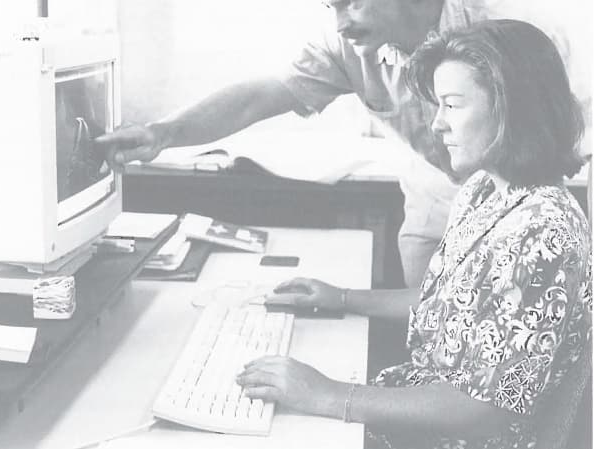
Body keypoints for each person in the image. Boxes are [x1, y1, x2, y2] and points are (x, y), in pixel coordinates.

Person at [235, 19, 591, 448]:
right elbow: (441, 300)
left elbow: (482, 410)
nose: (437, 123)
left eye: (453, 105)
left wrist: (331, 395)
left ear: (511, 107)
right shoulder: (486, 188)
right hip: (424, 416)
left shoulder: (542, 235)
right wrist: (343, 298)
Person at [95, 0, 589, 289]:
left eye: (352, 1)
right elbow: (261, 96)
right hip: (436, 208)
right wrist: (165, 134)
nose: (339, 23)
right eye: (330, 5)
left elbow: (558, 138)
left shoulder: (510, 32)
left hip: (520, 214)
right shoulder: (352, 47)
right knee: (436, 350)